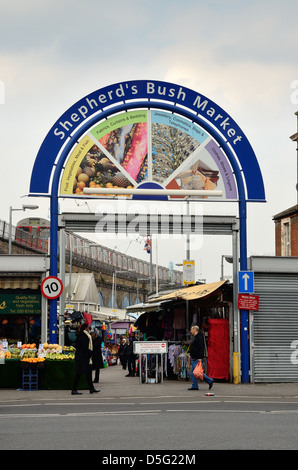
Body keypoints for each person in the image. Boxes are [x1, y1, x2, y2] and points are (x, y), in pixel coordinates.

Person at [71, 323, 100, 395]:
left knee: (88, 373)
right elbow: (84, 347)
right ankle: (74, 389)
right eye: (88, 327)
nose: (89, 329)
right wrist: (90, 353)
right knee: (79, 373)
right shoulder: (83, 336)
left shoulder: (83, 335)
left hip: (85, 357)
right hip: (82, 358)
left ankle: (91, 388)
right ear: (86, 328)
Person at [188, 325, 214, 391]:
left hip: (197, 358)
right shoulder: (197, 337)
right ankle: (195, 385)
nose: (191, 331)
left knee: (197, 372)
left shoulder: (198, 338)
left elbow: (200, 348)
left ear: (194, 330)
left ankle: (209, 380)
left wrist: (199, 357)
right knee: (194, 372)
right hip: (195, 357)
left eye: (191, 330)